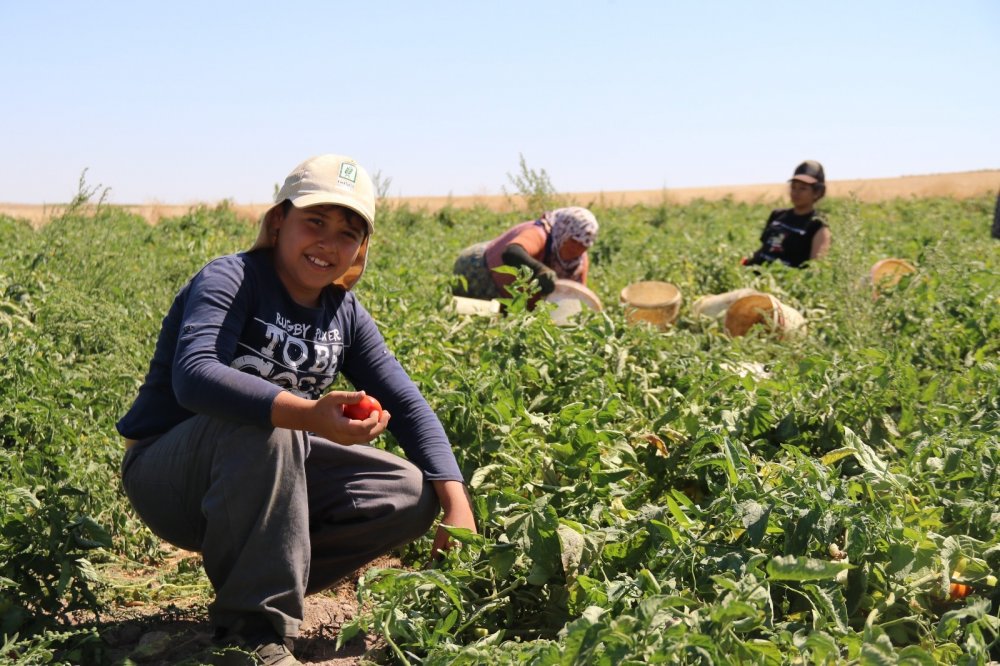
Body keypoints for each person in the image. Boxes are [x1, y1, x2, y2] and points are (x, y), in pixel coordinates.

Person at [116, 154, 477, 666]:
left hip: (268, 476)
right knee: (273, 426)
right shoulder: (232, 278)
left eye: (348, 232)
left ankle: (257, 582)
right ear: (279, 219)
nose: (329, 244)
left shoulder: (343, 313)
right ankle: (252, 632)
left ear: (361, 247)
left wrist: (455, 504)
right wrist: (307, 414)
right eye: (315, 222)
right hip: (169, 476)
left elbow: (408, 405)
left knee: (410, 493)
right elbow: (193, 375)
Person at [452, 206, 599, 305]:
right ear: (563, 233)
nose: (578, 249)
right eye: (574, 242)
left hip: (513, 298)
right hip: (478, 271)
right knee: (476, 317)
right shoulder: (539, 233)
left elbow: (576, 297)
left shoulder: (579, 263)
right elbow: (512, 253)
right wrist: (541, 271)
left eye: (585, 245)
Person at [742, 160, 832, 268]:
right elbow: (764, 249)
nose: (796, 192)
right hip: (758, 278)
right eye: (793, 187)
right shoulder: (777, 215)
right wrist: (744, 263)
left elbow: (815, 268)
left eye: (803, 188)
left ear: (817, 192)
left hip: (785, 282)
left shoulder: (818, 225)